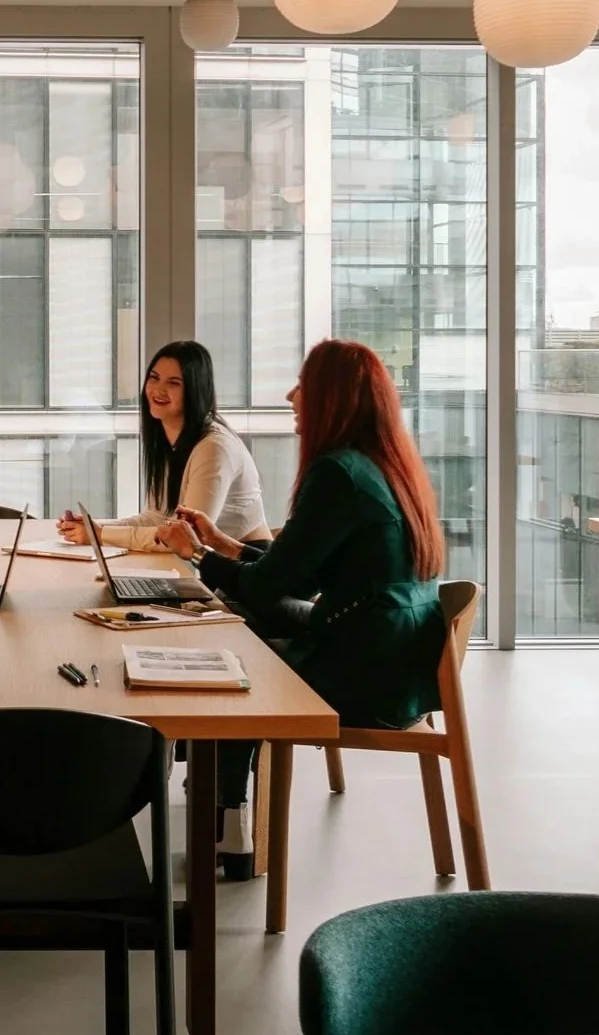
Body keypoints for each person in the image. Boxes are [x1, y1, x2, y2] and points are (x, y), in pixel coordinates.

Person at [157, 339, 447, 881]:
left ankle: (225, 813)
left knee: (229, 664)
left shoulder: (337, 473)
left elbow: (271, 587)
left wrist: (194, 554)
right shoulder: (379, 465)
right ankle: (225, 806)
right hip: (395, 656)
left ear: (332, 399)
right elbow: (302, 572)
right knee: (239, 625)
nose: (292, 395)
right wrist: (223, 544)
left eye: (304, 385)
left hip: (366, 672)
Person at [56, 340, 272, 552]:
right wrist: (94, 527)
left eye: (174, 383)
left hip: (244, 569)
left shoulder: (214, 448)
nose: (158, 389)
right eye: (154, 378)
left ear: (195, 391)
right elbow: (154, 518)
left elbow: (187, 538)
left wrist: (101, 535)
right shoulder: (168, 437)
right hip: (208, 563)